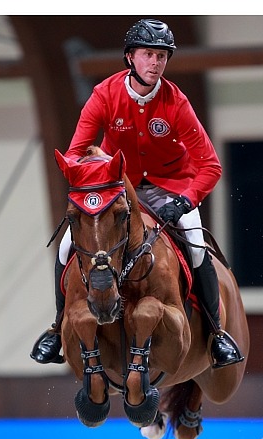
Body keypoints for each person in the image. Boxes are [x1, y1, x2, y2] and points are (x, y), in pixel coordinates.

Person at [30, 18, 243, 370]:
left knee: (196, 245)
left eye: (162, 56)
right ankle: (56, 328)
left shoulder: (176, 103)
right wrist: (87, 177)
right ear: (131, 57)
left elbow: (210, 166)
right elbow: (74, 152)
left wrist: (186, 201)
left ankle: (217, 333)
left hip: (171, 190)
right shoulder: (104, 95)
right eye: (148, 54)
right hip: (117, 192)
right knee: (68, 244)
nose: (156, 62)